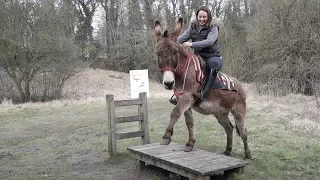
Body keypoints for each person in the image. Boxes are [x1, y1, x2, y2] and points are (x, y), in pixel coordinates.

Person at [170, 6, 223, 105]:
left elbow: (209, 42)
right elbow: (181, 39)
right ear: (197, 16)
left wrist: (191, 44)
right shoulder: (193, 27)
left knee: (212, 66)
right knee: (182, 65)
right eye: (200, 17)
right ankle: (178, 93)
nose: (202, 19)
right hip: (199, 56)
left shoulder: (214, 27)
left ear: (208, 17)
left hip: (213, 56)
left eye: (204, 17)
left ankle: (204, 94)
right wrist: (170, 42)